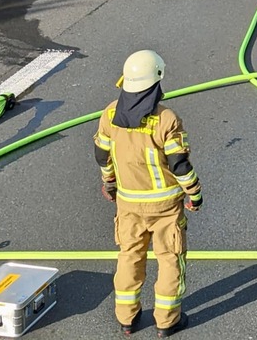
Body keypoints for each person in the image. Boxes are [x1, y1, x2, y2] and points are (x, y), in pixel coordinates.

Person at [94, 50, 202, 338]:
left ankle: (127, 319)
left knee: (129, 255)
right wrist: (194, 193)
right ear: (156, 81)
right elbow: (179, 164)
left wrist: (110, 184)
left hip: (128, 204)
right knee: (169, 259)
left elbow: (102, 155)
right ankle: (167, 321)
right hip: (166, 207)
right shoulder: (167, 119)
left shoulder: (110, 114)